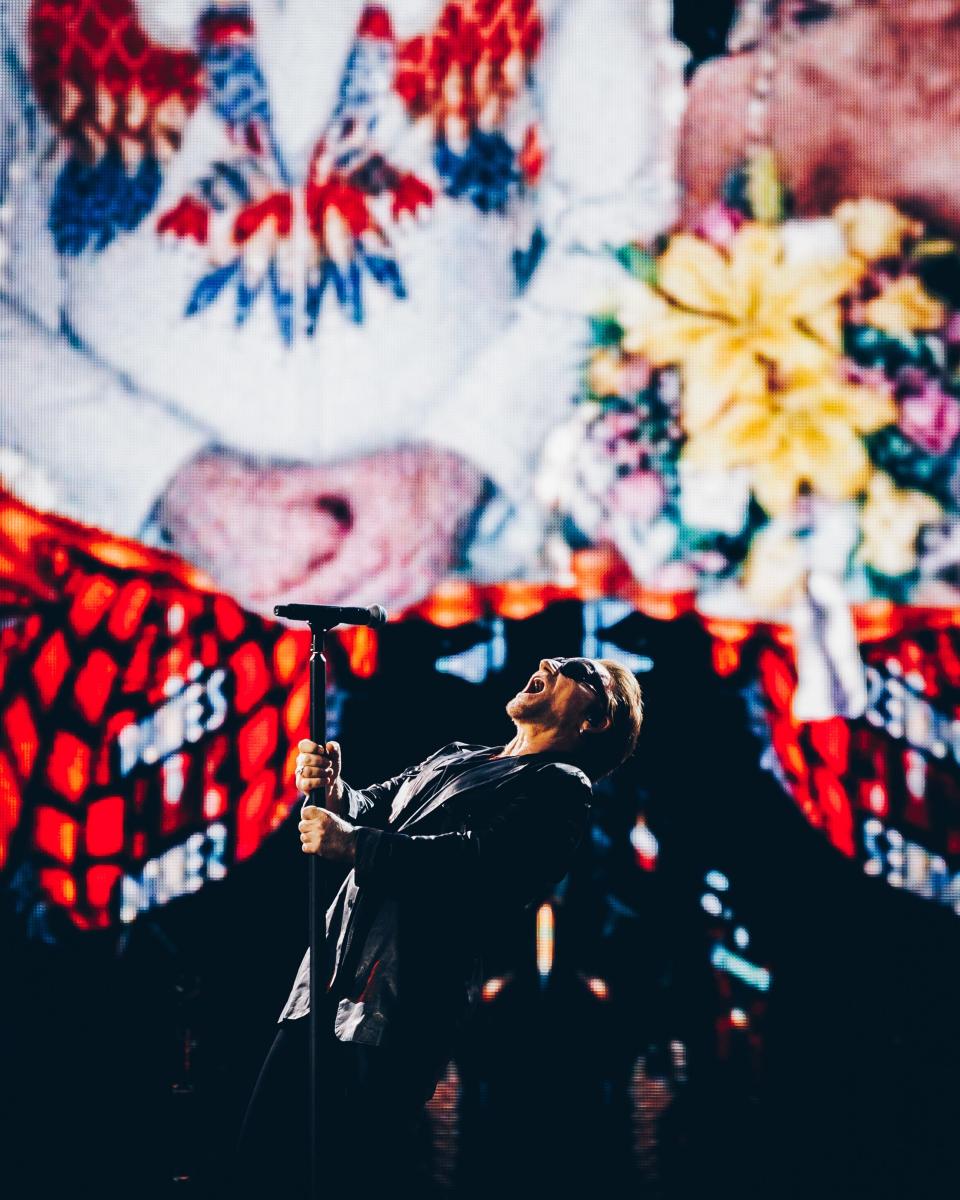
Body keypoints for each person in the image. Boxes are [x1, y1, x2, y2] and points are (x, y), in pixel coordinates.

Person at [0, 0, 685, 613]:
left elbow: (626, 215)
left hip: (461, 586)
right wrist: (161, 473)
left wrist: (464, 456)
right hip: (120, 592)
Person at [235, 655, 643, 1198]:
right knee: (262, 1162)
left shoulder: (561, 786)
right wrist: (335, 793)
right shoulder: (457, 757)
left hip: (396, 1007)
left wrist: (353, 843)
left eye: (575, 668)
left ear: (594, 720)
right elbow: (372, 808)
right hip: (324, 985)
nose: (548, 661)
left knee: (343, 1172)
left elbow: (479, 865)